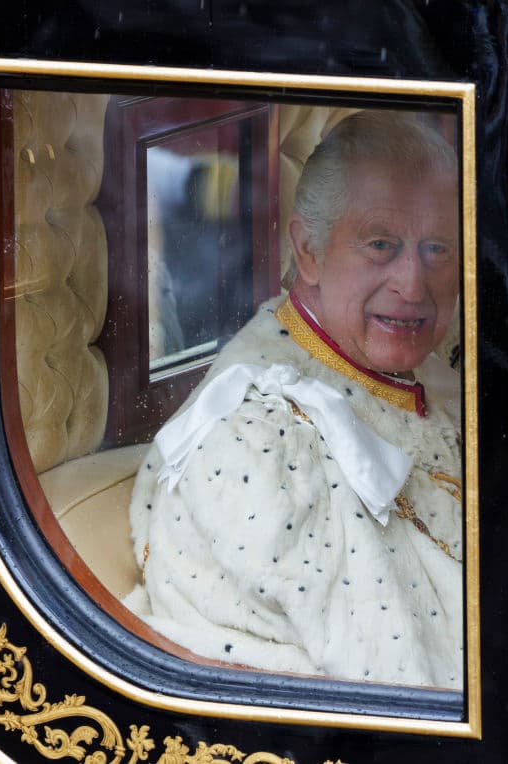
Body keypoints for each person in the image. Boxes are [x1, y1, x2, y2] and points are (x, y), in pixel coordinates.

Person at [125, 110, 464, 689]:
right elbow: (401, 691)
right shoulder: (259, 444)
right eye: (380, 245)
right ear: (308, 250)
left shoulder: (432, 370)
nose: (413, 284)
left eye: (437, 249)